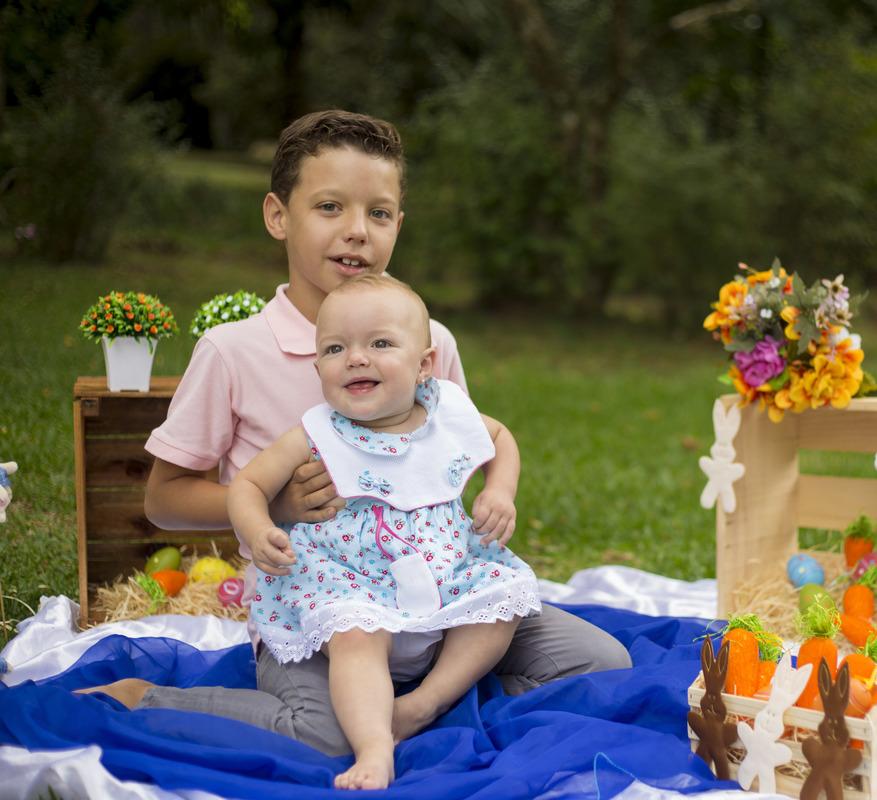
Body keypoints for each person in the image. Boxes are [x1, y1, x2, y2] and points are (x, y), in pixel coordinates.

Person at [81, 109, 630, 760]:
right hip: (324, 609)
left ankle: (427, 701)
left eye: (378, 212)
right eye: (330, 207)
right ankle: (152, 701)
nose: (356, 231)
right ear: (279, 215)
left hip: (438, 593)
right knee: (330, 734)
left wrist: (491, 496)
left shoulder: (428, 342)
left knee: (601, 663)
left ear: (398, 224)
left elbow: (458, 450)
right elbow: (162, 500)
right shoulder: (235, 351)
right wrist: (277, 507)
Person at [232, 274, 540, 789]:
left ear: (424, 364)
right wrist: (258, 526)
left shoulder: (449, 412)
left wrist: (499, 490)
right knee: (358, 633)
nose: (356, 357)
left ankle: (423, 703)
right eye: (335, 348)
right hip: (350, 577)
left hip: (445, 570)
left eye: (379, 343)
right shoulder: (317, 432)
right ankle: (375, 748)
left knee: (498, 600)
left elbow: (500, 437)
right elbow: (247, 483)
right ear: (318, 368)